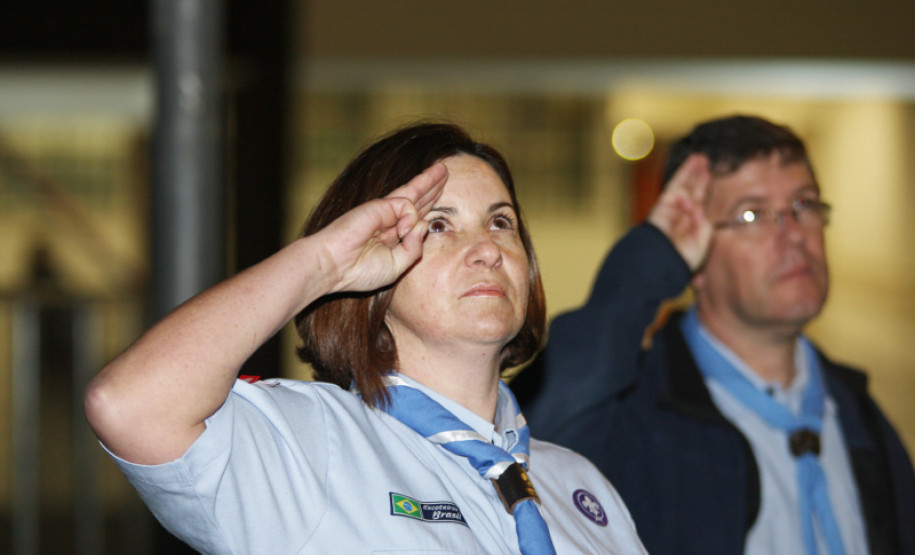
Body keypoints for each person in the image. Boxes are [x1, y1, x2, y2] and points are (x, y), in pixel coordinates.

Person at [83, 122, 647, 554]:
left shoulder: (579, 483)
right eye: (438, 225)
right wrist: (320, 266)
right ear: (370, 265)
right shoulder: (308, 442)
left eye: (501, 222)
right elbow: (129, 403)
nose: (487, 249)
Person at [511, 115, 915, 555]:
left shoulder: (859, 413)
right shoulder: (639, 413)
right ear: (694, 251)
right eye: (753, 214)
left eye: (804, 204)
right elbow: (535, 431)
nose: (794, 235)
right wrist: (653, 256)